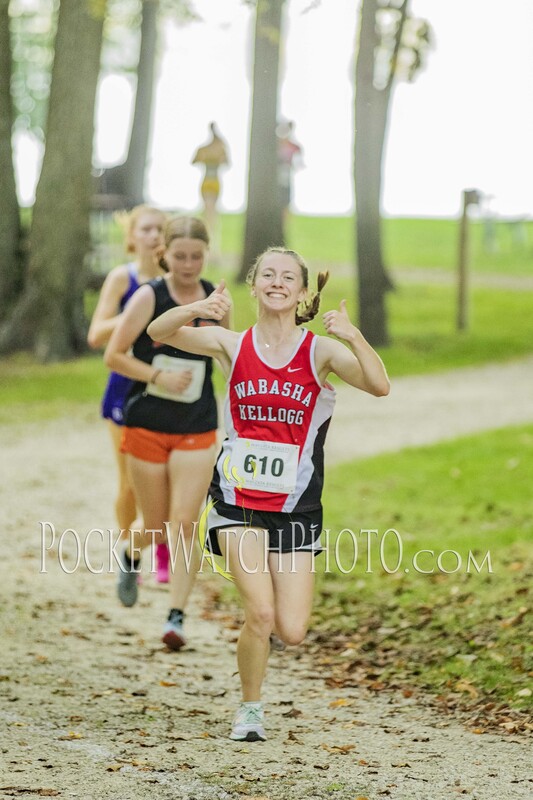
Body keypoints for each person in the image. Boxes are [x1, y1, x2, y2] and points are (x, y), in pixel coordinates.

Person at [147, 246, 390, 741]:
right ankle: (250, 710)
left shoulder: (319, 353)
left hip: (297, 508)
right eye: (268, 275)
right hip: (236, 503)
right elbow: (158, 333)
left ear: (302, 293)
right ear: (254, 285)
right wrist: (196, 308)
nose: (277, 283)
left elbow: (380, 385)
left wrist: (353, 335)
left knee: (292, 629)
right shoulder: (232, 345)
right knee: (259, 612)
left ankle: (261, 658)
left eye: (288, 278)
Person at [104, 216, 232, 650]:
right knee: (156, 526)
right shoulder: (148, 295)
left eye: (197, 256)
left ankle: (176, 616)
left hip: (197, 425)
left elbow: (228, 357)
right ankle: (130, 550)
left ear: (205, 254)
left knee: (184, 522)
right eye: (180, 256)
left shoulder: (216, 299)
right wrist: (157, 376)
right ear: (166, 255)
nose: (189, 264)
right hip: (148, 422)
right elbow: (114, 355)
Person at [87, 204, 171, 583]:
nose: (153, 235)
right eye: (146, 229)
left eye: (160, 230)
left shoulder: (178, 279)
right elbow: (96, 334)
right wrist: (138, 311)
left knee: (171, 476)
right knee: (130, 483)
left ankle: (163, 547)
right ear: (132, 236)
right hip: (124, 388)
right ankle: (130, 554)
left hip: (167, 386)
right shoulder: (123, 278)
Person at [192, 122, 230, 262]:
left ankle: (212, 250)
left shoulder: (214, 148)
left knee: (210, 215)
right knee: (209, 215)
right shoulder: (212, 148)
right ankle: (209, 249)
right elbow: (194, 160)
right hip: (209, 182)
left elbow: (226, 162)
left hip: (212, 182)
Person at [276, 120, 303, 225]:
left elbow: (299, 163)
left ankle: (285, 223)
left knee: (286, 201)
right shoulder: (275, 145)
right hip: (277, 178)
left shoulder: (294, 146)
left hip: (286, 177)